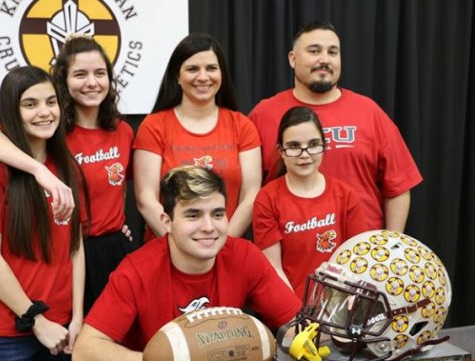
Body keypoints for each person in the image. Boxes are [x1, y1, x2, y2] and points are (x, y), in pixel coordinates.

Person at [71, 165, 301, 361]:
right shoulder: (137, 271)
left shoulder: (245, 256)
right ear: (167, 221)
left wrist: (307, 340)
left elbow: (297, 326)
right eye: (193, 215)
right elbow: (84, 354)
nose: (209, 227)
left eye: (218, 214)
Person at [0, 35, 134, 314]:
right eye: (80, 74)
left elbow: (120, 187)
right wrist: (39, 170)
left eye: (100, 73)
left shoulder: (123, 131)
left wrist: (117, 224)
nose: (92, 82)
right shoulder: (51, 131)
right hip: (73, 252)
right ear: (63, 81)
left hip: (114, 248)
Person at [0, 66, 87, 361]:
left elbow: (75, 246)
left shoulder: (66, 166)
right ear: (11, 112)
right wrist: (36, 321)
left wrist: (78, 317)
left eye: (51, 102)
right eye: (30, 104)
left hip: (59, 331)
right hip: (7, 336)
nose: (44, 112)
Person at [249, 21, 422, 232]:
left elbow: (398, 186)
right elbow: (247, 190)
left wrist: (390, 246)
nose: (324, 59)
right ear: (292, 59)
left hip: (359, 255)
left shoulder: (368, 112)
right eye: (314, 51)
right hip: (288, 255)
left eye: (333, 52)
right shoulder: (264, 114)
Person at [133, 32, 262, 241]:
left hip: (227, 247)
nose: (203, 77)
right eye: (192, 69)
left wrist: (218, 243)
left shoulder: (242, 126)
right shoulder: (154, 126)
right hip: (168, 249)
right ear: (177, 75)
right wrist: (182, 245)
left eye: (211, 68)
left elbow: (251, 196)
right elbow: (145, 199)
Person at [253, 106, 368, 297]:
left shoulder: (345, 195)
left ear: (324, 146)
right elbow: (273, 270)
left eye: (313, 144)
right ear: (281, 151)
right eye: (294, 146)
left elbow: (358, 261)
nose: (305, 154)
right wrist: (297, 316)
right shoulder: (267, 199)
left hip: (338, 311)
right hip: (290, 311)